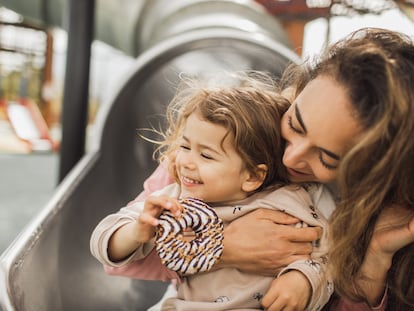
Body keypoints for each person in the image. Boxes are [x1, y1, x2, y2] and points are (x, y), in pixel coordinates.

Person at [93, 27, 414, 311]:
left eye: (328, 158)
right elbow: (120, 258)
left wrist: (370, 262)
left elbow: (325, 267)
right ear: (299, 90)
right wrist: (221, 246)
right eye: (295, 124)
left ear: (369, 170)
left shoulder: (358, 209)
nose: (292, 159)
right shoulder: (221, 144)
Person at [90, 71, 336, 310]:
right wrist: (136, 231)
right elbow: (104, 241)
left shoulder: (290, 202)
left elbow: (327, 257)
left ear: (252, 176)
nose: (185, 161)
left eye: (206, 154)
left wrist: (303, 278)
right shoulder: (176, 199)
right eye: (185, 146)